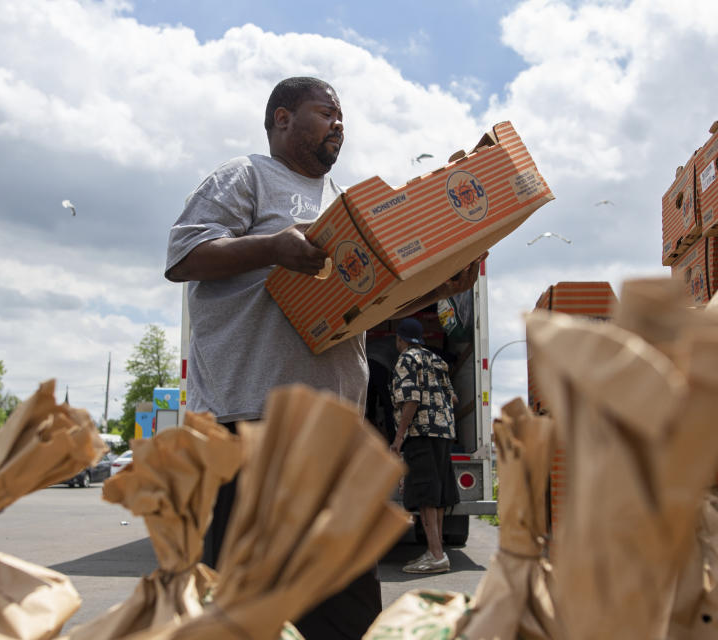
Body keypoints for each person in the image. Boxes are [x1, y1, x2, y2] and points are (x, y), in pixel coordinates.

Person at [165, 76, 482, 639]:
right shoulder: (247, 178)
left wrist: (436, 288)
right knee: (248, 609)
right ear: (282, 119)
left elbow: (367, 302)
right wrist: (273, 246)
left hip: (335, 439)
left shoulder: (345, 205)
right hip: (253, 427)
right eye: (326, 112)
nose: (340, 123)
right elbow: (184, 253)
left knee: (345, 612)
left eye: (342, 116)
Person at [389, 317, 460, 574]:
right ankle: (434, 550)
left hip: (421, 432)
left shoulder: (407, 359)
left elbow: (411, 400)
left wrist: (398, 439)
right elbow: (452, 397)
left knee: (425, 495)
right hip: (443, 432)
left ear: (400, 339)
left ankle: (437, 556)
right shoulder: (437, 360)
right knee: (438, 494)